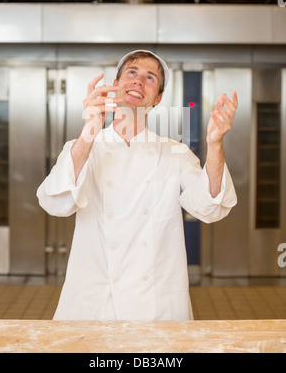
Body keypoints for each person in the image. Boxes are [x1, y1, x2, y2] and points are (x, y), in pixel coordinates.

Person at [37, 50, 238, 321]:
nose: (138, 81)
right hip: (95, 303)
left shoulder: (175, 153)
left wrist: (214, 145)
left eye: (150, 77)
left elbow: (210, 206)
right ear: (115, 85)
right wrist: (89, 131)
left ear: (158, 98)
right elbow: (55, 202)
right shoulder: (82, 147)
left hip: (156, 305)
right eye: (131, 73)